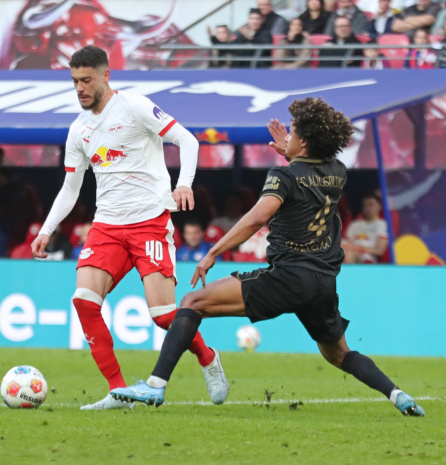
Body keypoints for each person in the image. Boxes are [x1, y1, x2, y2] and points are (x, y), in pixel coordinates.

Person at [110, 97, 425, 418]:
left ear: (304, 141)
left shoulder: (283, 176)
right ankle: (397, 394)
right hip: (323, 283)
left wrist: (213, 253)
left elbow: (257, 218)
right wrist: (291, 153)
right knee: (339, 354)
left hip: (288, 277)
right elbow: (309, 174)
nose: (287, 136)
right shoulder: (337, 172)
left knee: (193, 302)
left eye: (293, 132)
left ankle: (156, 384)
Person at [31, 45, 222, 410]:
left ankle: (207, 357)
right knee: (84, 301)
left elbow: (187, 139)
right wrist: (46, 229)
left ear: (106, 75)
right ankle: (118, 392)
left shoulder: (135, 107)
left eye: (86, 80)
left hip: (149, 223)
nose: (80, 88)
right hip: (106, 226)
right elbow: (70, 188)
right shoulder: (79, 129)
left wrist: (184, 183)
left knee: (163, 316)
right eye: (75, 81)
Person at [343, 193, 389, 263]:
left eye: (371, 205)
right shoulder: (354, 224)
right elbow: (348, 243)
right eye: (365, 205)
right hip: (350, 251)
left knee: (349, 255)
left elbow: (380, 250)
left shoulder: (382, 225)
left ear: (379, 206)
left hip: (368, 257)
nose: (367, 208)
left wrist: (359, 248)